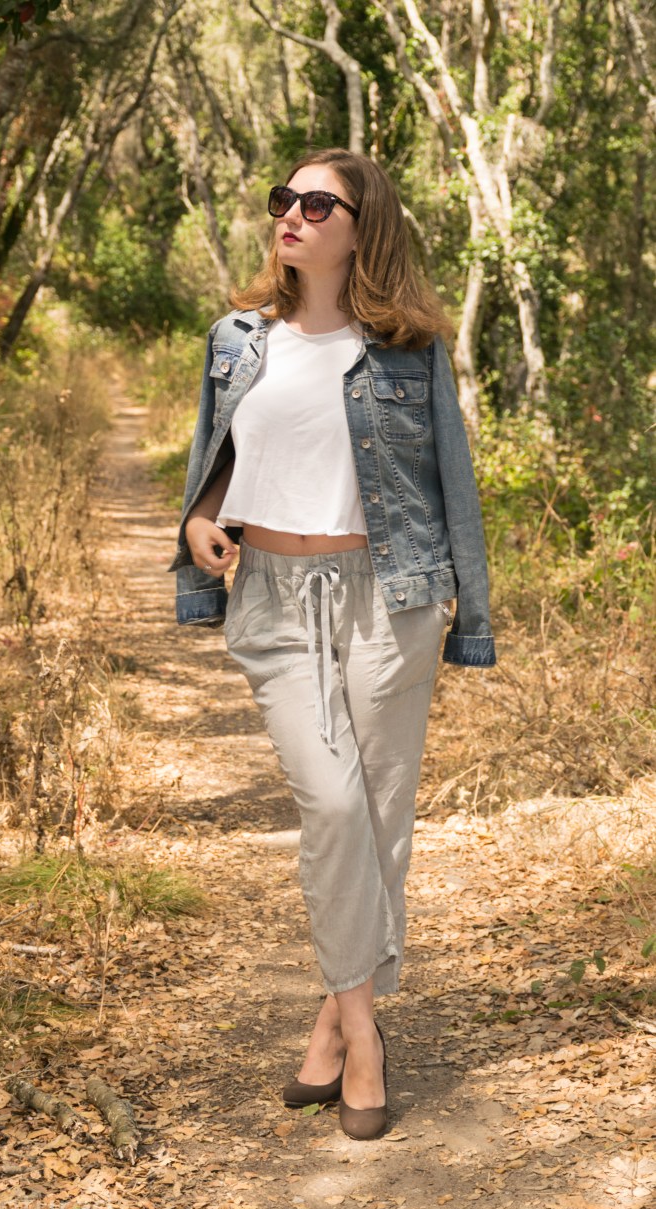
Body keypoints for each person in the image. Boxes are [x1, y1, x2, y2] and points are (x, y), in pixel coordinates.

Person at [170, 148, 495, 1141]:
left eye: (319, 203)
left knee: (378, 818)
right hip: (273, 598)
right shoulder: (237, 340)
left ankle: (332, 1019)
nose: (294, 216)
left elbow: (453, 488)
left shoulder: (409, 350)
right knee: (333, 803)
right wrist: (198, 526)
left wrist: (471, 617)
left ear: (364, 227)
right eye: (284, 200)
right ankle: (365, 1033)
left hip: (386, 596)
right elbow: (216, 463)